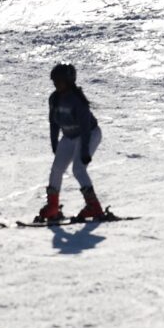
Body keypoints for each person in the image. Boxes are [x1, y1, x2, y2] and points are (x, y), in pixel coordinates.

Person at [37, 63, 105, 224]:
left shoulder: (77, 100)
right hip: (69, 136)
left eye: (59, 80)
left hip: (89, 134)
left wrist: (85, 151)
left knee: (78, 169)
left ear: (69, 81)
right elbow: (53, 123)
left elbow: (85, 127)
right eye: (54, 81)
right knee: (56, 169)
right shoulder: (54, 98)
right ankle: (53, 207)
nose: (56, 84)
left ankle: (94, 207)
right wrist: (54, 143)